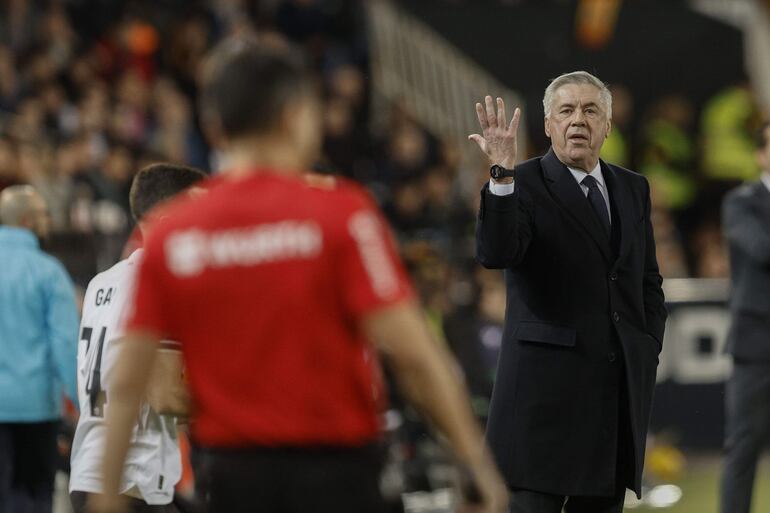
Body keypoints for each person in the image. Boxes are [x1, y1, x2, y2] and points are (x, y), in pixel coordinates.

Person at [91, 39, 508, 513]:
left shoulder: (173, 237)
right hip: (336, 474)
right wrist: (476, 464)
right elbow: (415, 355)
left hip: (231, 478)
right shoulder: (341, 215)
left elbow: (125, 381)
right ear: (295, 115)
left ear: (214, 127)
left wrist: (106, 500)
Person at [469, 71, 667, 513]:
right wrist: (500, 174)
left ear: (608, 125)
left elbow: (647, 281)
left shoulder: (633, 188)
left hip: (609, 408)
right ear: (548, 124)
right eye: (567, 110)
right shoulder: (521, 182)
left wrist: (646, 343)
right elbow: (496, 252)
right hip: (541, 411)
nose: (578, 120)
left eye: (590, 110)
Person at [69, 164, 206, 513]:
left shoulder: (104, 282)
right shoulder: (160, 281)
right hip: (132, 478)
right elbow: (165, 394)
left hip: (91, 468)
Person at [0, 185, 79, 513]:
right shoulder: (48, 272)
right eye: (45, 214)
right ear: (29, 221)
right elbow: (65, 344)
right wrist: (83, 403)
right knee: (34, 496)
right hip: (35, 409)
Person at [720, 120, 770, 513]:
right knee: (744, 444)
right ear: (760, 154)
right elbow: (761, 249)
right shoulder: (740, 202)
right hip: (757, 344)